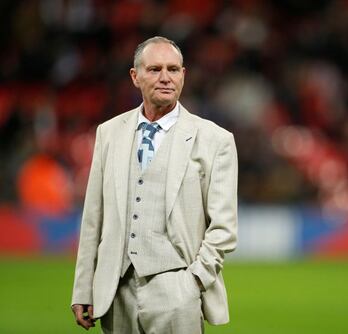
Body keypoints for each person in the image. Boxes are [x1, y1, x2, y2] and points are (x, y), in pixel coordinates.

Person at [71, 36, 238, 334]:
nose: (165, 78)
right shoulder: (108, 133)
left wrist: (192, 282)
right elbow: (92, 219)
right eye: (155, 69)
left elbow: (224, 228)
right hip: (115, 290)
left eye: (173, 69)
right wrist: (84, 288)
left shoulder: (215, 139)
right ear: (135, 77)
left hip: (177, 290)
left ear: (183, 75)